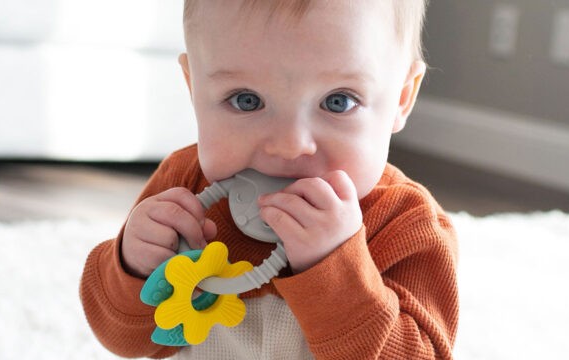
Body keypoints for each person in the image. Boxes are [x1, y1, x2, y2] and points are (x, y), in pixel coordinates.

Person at [80, 0, 459, 359]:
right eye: (246, 100)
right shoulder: (184, 189)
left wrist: (335, 270)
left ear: (401, 99)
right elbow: (124, 339)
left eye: (338, 101)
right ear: (193, 87)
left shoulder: (407, 224)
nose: (290, 145)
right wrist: (133, 266)